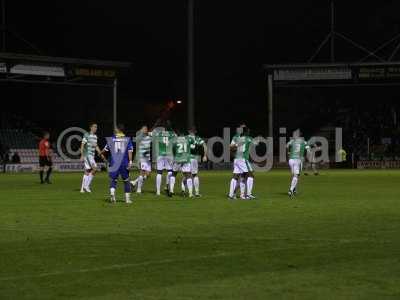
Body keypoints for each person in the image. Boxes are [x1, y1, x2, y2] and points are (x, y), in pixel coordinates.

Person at [102, 124, 134, 203]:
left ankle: (112, 193)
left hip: (114, 162)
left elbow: (105, 150)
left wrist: (100, 153)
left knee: (114, 179)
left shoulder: (112, 138)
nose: (114, 129)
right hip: (124, 162)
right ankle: (127, 199)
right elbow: (130, 151)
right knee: (126, 180)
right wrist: (130, 161)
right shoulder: (127, 139)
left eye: (116, 128)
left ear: (118, 129)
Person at [228, 126, 257, 200]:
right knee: (250, 175)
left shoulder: (238, 138)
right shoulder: (248, 138)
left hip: (236, 159)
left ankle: (234, 194)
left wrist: (234, 150)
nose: (249, 132)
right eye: (248, 131)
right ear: (246, 132)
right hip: (243, 159)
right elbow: (256, 143)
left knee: (239, 177)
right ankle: (248, 194)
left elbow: (230, 146)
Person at [181, 126, 207, 197]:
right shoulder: (197, 138)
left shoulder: (185, 138)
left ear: (189, 131)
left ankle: (188, 192)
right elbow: (204, 145)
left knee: (187, 175)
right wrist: (205, 155)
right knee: (194, 175)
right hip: (194, 158)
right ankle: (196, 193)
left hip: (187, 158)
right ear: (195, 131)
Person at [80, 123, 105, 193]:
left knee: (87, 171)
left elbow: (96, 146)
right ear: (90, 127)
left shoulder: (95, 137)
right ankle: (86, 186)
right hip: (87, 155)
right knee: (95, 168)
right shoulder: (86, 135)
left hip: (92, 156)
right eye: (94, 127)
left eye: (96, 127)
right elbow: (82, 145)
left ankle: (82, 189)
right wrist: (81, 154)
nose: (95, 128)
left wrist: (100, 153)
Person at [153, 121, 176, 196]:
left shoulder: (159, 134)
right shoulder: (172, 134)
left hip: (160, 154)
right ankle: (167, 186)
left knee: (159, 172)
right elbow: (176, 138)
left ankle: (158, 191)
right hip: (169, 155)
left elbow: (151, 134)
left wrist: (155, 126)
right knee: (170, 172)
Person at [169, 131, 193, 197]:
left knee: (173, 174)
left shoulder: (175, 141)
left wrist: (174, 157)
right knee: (188, 176)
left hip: (177, 159)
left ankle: (171, 190)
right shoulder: (188, 140)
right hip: (186, 160)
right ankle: (190, 193)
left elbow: (173, 151)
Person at [286, 132, 310, 198]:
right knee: (296, 176)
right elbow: (308, 150)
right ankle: (291, 190)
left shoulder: (292, 141)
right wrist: (306, 157)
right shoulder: (304, 142)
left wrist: (288, 153)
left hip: (291, 160)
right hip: (298, 160)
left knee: (294, 175)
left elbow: (287, 146)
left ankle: (294, 189)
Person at [130, 125, 152, 194]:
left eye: (146, 129)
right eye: (144, 129)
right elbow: (133, 140)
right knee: (142, 173)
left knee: (148, 174)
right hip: (142, 157)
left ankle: (134, 182)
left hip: (148, 158)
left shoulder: (149, 137)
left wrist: (151, 133)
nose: (145, 130)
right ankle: (138, 190)